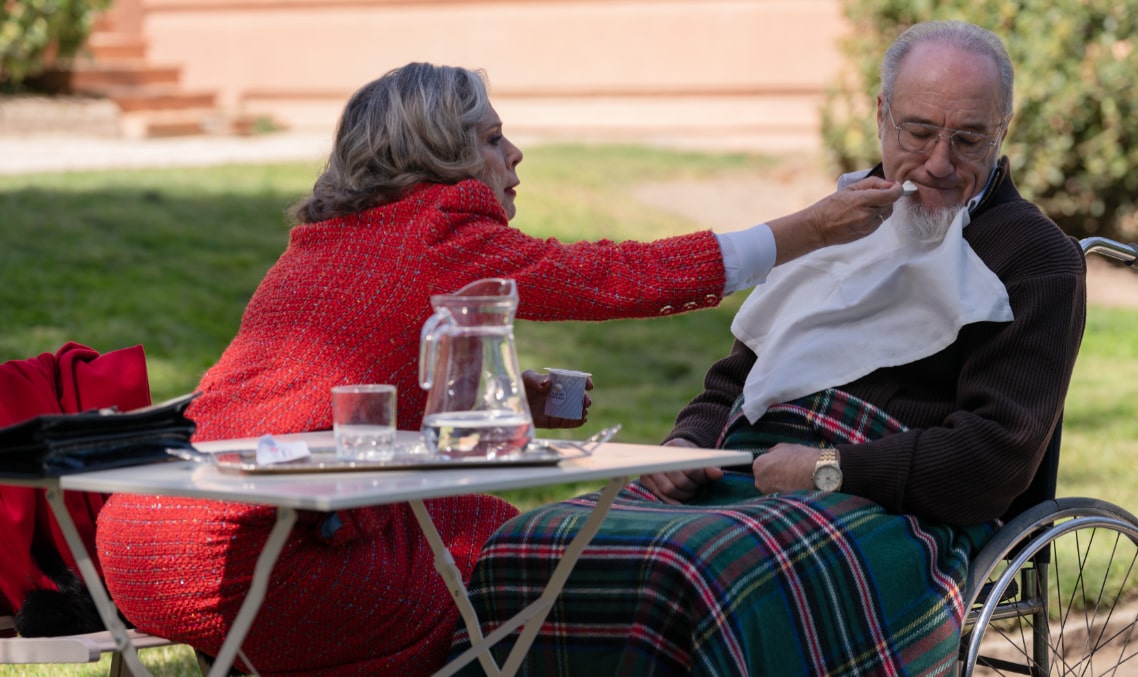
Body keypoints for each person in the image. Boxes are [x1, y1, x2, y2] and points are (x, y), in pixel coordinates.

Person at [92, 63, 902, 675]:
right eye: (490, 138)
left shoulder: (320, 242)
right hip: (252, 564)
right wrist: (812, 227)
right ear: (439, 155)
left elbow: (334, 387)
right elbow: (626, 275)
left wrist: (509, 391)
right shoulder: (442, 230)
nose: (514, 154)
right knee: (536, 569)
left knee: (487, 521)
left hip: (135, 541)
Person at [457, 20, 1087, 676]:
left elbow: (993, 456)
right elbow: (740, 372)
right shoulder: (843, 217)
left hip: (898, 504)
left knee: (705, 579)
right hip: (747, 467)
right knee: (529, 546)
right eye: (920, 132)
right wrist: (686, 442)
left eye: (968, 139)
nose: (938, 162)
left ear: (1002, 130)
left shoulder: (1035, 257)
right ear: (881, 116)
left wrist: (829, 466)